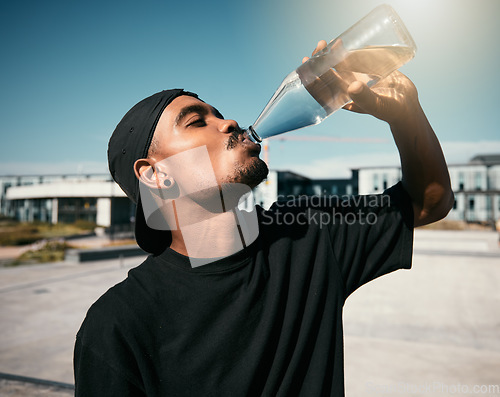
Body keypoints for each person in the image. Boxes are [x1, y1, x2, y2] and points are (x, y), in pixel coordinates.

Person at [73, 40, 453, 396]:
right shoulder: (118, 325)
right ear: (156, 174)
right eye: (195, 121)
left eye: (218, 115)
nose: (229, 123)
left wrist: (405, 113)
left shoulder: (306, 232)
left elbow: (427, 202)